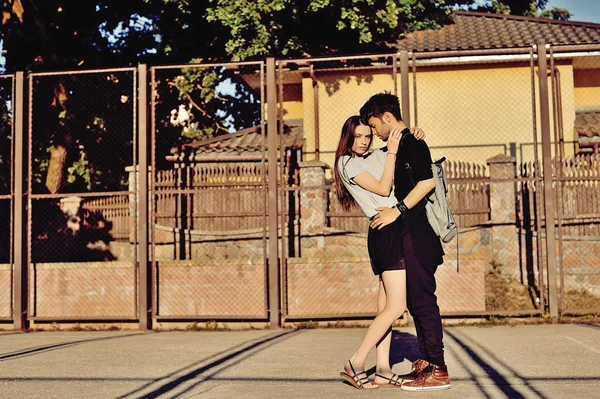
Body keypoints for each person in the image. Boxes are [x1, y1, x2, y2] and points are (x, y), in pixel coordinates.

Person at [361, 92, 451, 391]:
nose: (373, 133)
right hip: (408, 234)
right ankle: (426, 362)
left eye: (374, 126)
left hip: (419, 234)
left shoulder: (413, 143)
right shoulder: (399, 145)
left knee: (423, 301)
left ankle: (438, 370)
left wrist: (396, 210)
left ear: (387, 118)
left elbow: (427, 182)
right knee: (414, 301)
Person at [334, 115, 424, 389]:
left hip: (392, 226)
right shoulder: (346, 163)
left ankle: (383, 369)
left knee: (386, 306)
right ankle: (356, 361)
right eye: (357, 137)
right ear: (347, 138)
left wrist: (412, 134)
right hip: (384, 230)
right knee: (397, 306)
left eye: (366, 136)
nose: (362, 142)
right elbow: (384, 188)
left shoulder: (374, 156)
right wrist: (394, 151)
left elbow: (396, 145)